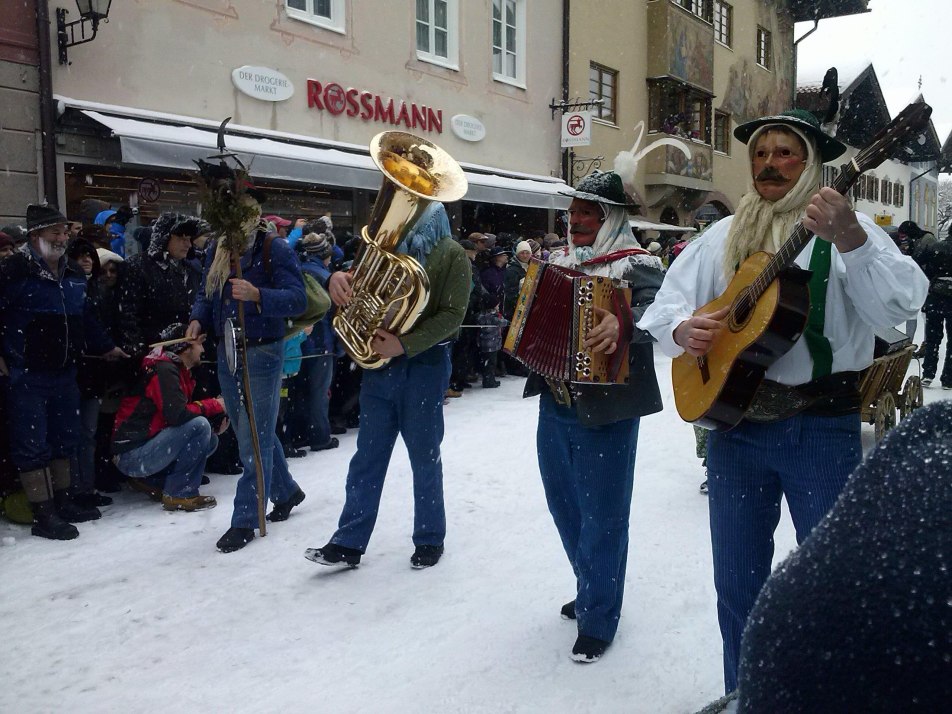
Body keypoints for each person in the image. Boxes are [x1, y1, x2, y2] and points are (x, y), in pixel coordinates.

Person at [637, 109, 928, 693]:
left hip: (820, 427)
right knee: (737, 584)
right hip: (735, 430)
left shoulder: (852, 229)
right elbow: (665, 306)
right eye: (760, 154)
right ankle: (746, 693)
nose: (769, 164)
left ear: (813, 163)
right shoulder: (723, 235)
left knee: (830, 583)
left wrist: (851, 238)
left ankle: (824, 697)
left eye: (784, 153)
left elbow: (901, 310)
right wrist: (681, 330)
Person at [523, 168, 665, 664]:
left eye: (589, 212)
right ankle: (591, 584)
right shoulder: (555, 260)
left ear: (612, 217)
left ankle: (600, 615)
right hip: (554, 400)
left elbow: (664, 310)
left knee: (604, 516)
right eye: (574, 210)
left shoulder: (638, 263)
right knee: (565, 506)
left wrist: (625, 322)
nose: (577, 219)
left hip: (608, 407)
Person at [734, 400, 952, 712]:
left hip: (821, 413)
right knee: (736, 589)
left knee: (846, 602)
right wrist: (681, 346)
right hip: (735, 420)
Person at [305, 202, 471, 569]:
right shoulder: (386, 244)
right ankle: (349, 540)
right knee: (367, 457)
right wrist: (337, 278)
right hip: (380, 366)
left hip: (424, 366)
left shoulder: (452, 253)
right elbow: (360, 288)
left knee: (424, 456)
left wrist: (405, 343)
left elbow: (454, 315)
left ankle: (429, 537)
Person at [188, 180, 307, 553]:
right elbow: (208, 294)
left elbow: (298, 300)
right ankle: (285, 492)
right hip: (227, 349)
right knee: (247, 429)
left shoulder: (276, 248)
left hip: (262, 351)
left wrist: (258, 296)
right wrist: (197, 320)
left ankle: (245, 517)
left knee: (253, 436)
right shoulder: (218, 250)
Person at [0, 204, 128, 540]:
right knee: (32, 443)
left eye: (63, 231)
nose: (61, 238)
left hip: (65, 372)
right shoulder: (14, 270)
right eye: (54, 232)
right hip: (26, 374)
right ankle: (44, 513)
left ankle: (64, 501)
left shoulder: (72, 274)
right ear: (35, 235)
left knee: (65, 439)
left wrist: (107, 347)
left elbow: (85, 318)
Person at [112, 324, 225, 511]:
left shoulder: (173, 368)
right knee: (200, 427)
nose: (203, 349)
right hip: (131, 455)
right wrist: (215, 405)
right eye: (199, 343)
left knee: (210, 439)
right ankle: (179, 492)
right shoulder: (164, 368)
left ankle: (154, 481)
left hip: (138, 450)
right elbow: (177, 415)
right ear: (184, 346)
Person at [118, 212, 206, 357]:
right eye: (182, 238)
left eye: (189, 239)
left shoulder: (193, 270)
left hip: (188, 356)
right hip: (153, 354)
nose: (188, 244)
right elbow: (127, 315)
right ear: (165, 238)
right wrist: (139, 353)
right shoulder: (137, 267)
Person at [289, 231, 340, 451]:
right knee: (320, 392)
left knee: (298, 391)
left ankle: (297, 434)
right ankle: (320, 436)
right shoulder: (325, 275)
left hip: (298, 343)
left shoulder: (297, 270)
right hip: (321, 343)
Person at [916, 222, 952, 388]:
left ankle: (928, 374)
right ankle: (948, 378)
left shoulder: (935, 247)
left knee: (932, 338)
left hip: (935, 297)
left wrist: (930, 280)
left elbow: (918, 263)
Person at [476, 292, 507, 389]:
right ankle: (489, 381)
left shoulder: (481, 315)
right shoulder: (492, 317)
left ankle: (489, 379)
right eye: (497, 305)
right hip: (492, 344)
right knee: (490, 364)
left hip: (485, 343)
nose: (498, 307)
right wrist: (506, 321)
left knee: (487, 363)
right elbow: (503, 323)